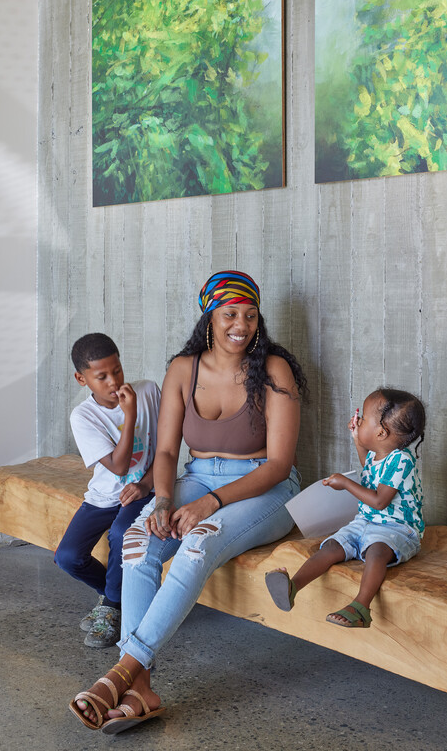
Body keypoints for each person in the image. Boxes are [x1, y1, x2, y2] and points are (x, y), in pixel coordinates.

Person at [69, 270, 309, 733]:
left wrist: (211, 504)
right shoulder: (184, 368)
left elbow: (279, 464)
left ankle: (121, 674)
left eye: (250, 315)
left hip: (266, 488)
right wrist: (161, 501)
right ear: (209, 318)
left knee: (197, 544)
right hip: (196, 477)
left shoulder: (274, 369)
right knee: (138, 543)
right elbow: (164, 450)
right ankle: (141, 691)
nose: (241, 324)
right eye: (229, 314)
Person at [265, 388, 426, 628]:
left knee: (377, 551)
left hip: (398, 528)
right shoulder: (377, 453)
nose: (357, 420)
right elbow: (368, 468)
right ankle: (292, 587)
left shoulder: (402, 460)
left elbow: (380, 500)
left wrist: (345, 483)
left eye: (363, 420)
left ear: (381, 433)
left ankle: (361, 606)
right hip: (365, 522)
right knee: (332, 545)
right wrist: (358, 440)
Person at [55, 333, 160, 648]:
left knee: (120, 533)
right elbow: (118, 466)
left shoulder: (150, 391)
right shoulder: (83, 416)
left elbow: (169, 446)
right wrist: (129, 416)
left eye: (117, 370)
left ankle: (111, 609)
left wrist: (147, 483)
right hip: (104, 495)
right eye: (101, 376)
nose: (114, 382)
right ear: (81, 379)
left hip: (144, 490)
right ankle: (118, 598)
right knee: (67, 557)